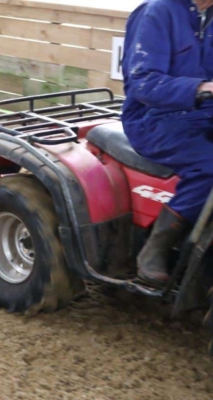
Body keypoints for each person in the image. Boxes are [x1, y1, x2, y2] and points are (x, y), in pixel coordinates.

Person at [121, 0, 213, 286]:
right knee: (210, 165)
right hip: (155, 118)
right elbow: (142, 82)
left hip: (204, 114)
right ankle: (157, 246)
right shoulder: (157, 12)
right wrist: (201, 88)